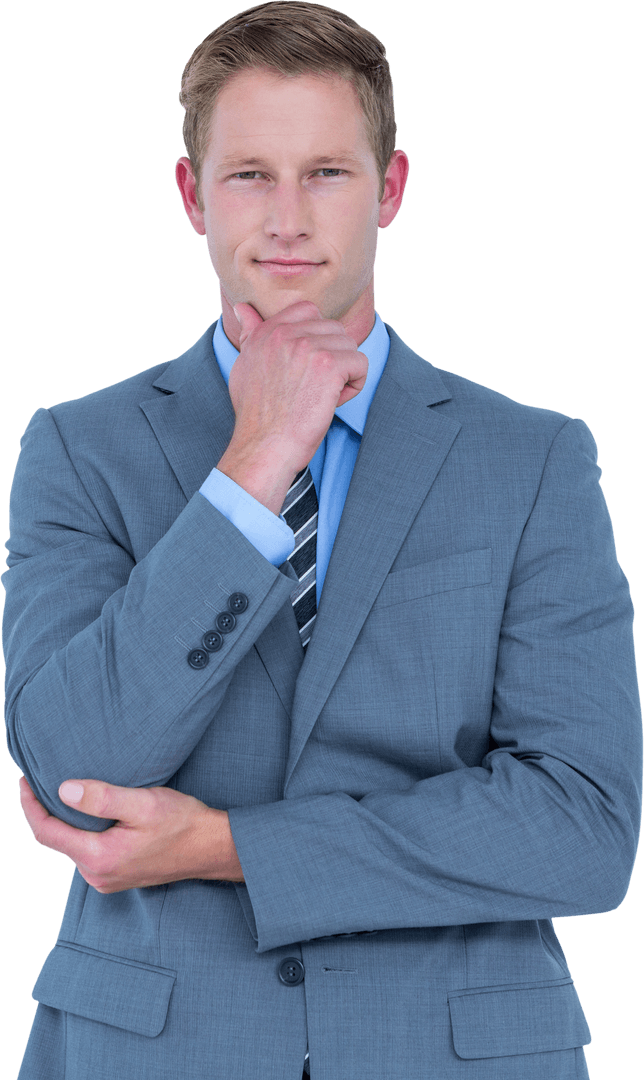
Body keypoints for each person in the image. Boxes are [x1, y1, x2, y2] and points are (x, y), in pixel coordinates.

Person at [3, 2, 641, 1078]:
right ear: (191, 196)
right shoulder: (80, 448)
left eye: (327, 173)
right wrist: (255, 463)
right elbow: (74, 771)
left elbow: (581, 829)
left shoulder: (532, 459)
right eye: (250, 174)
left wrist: (228, 848)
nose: (288, 219)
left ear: (389, 189)